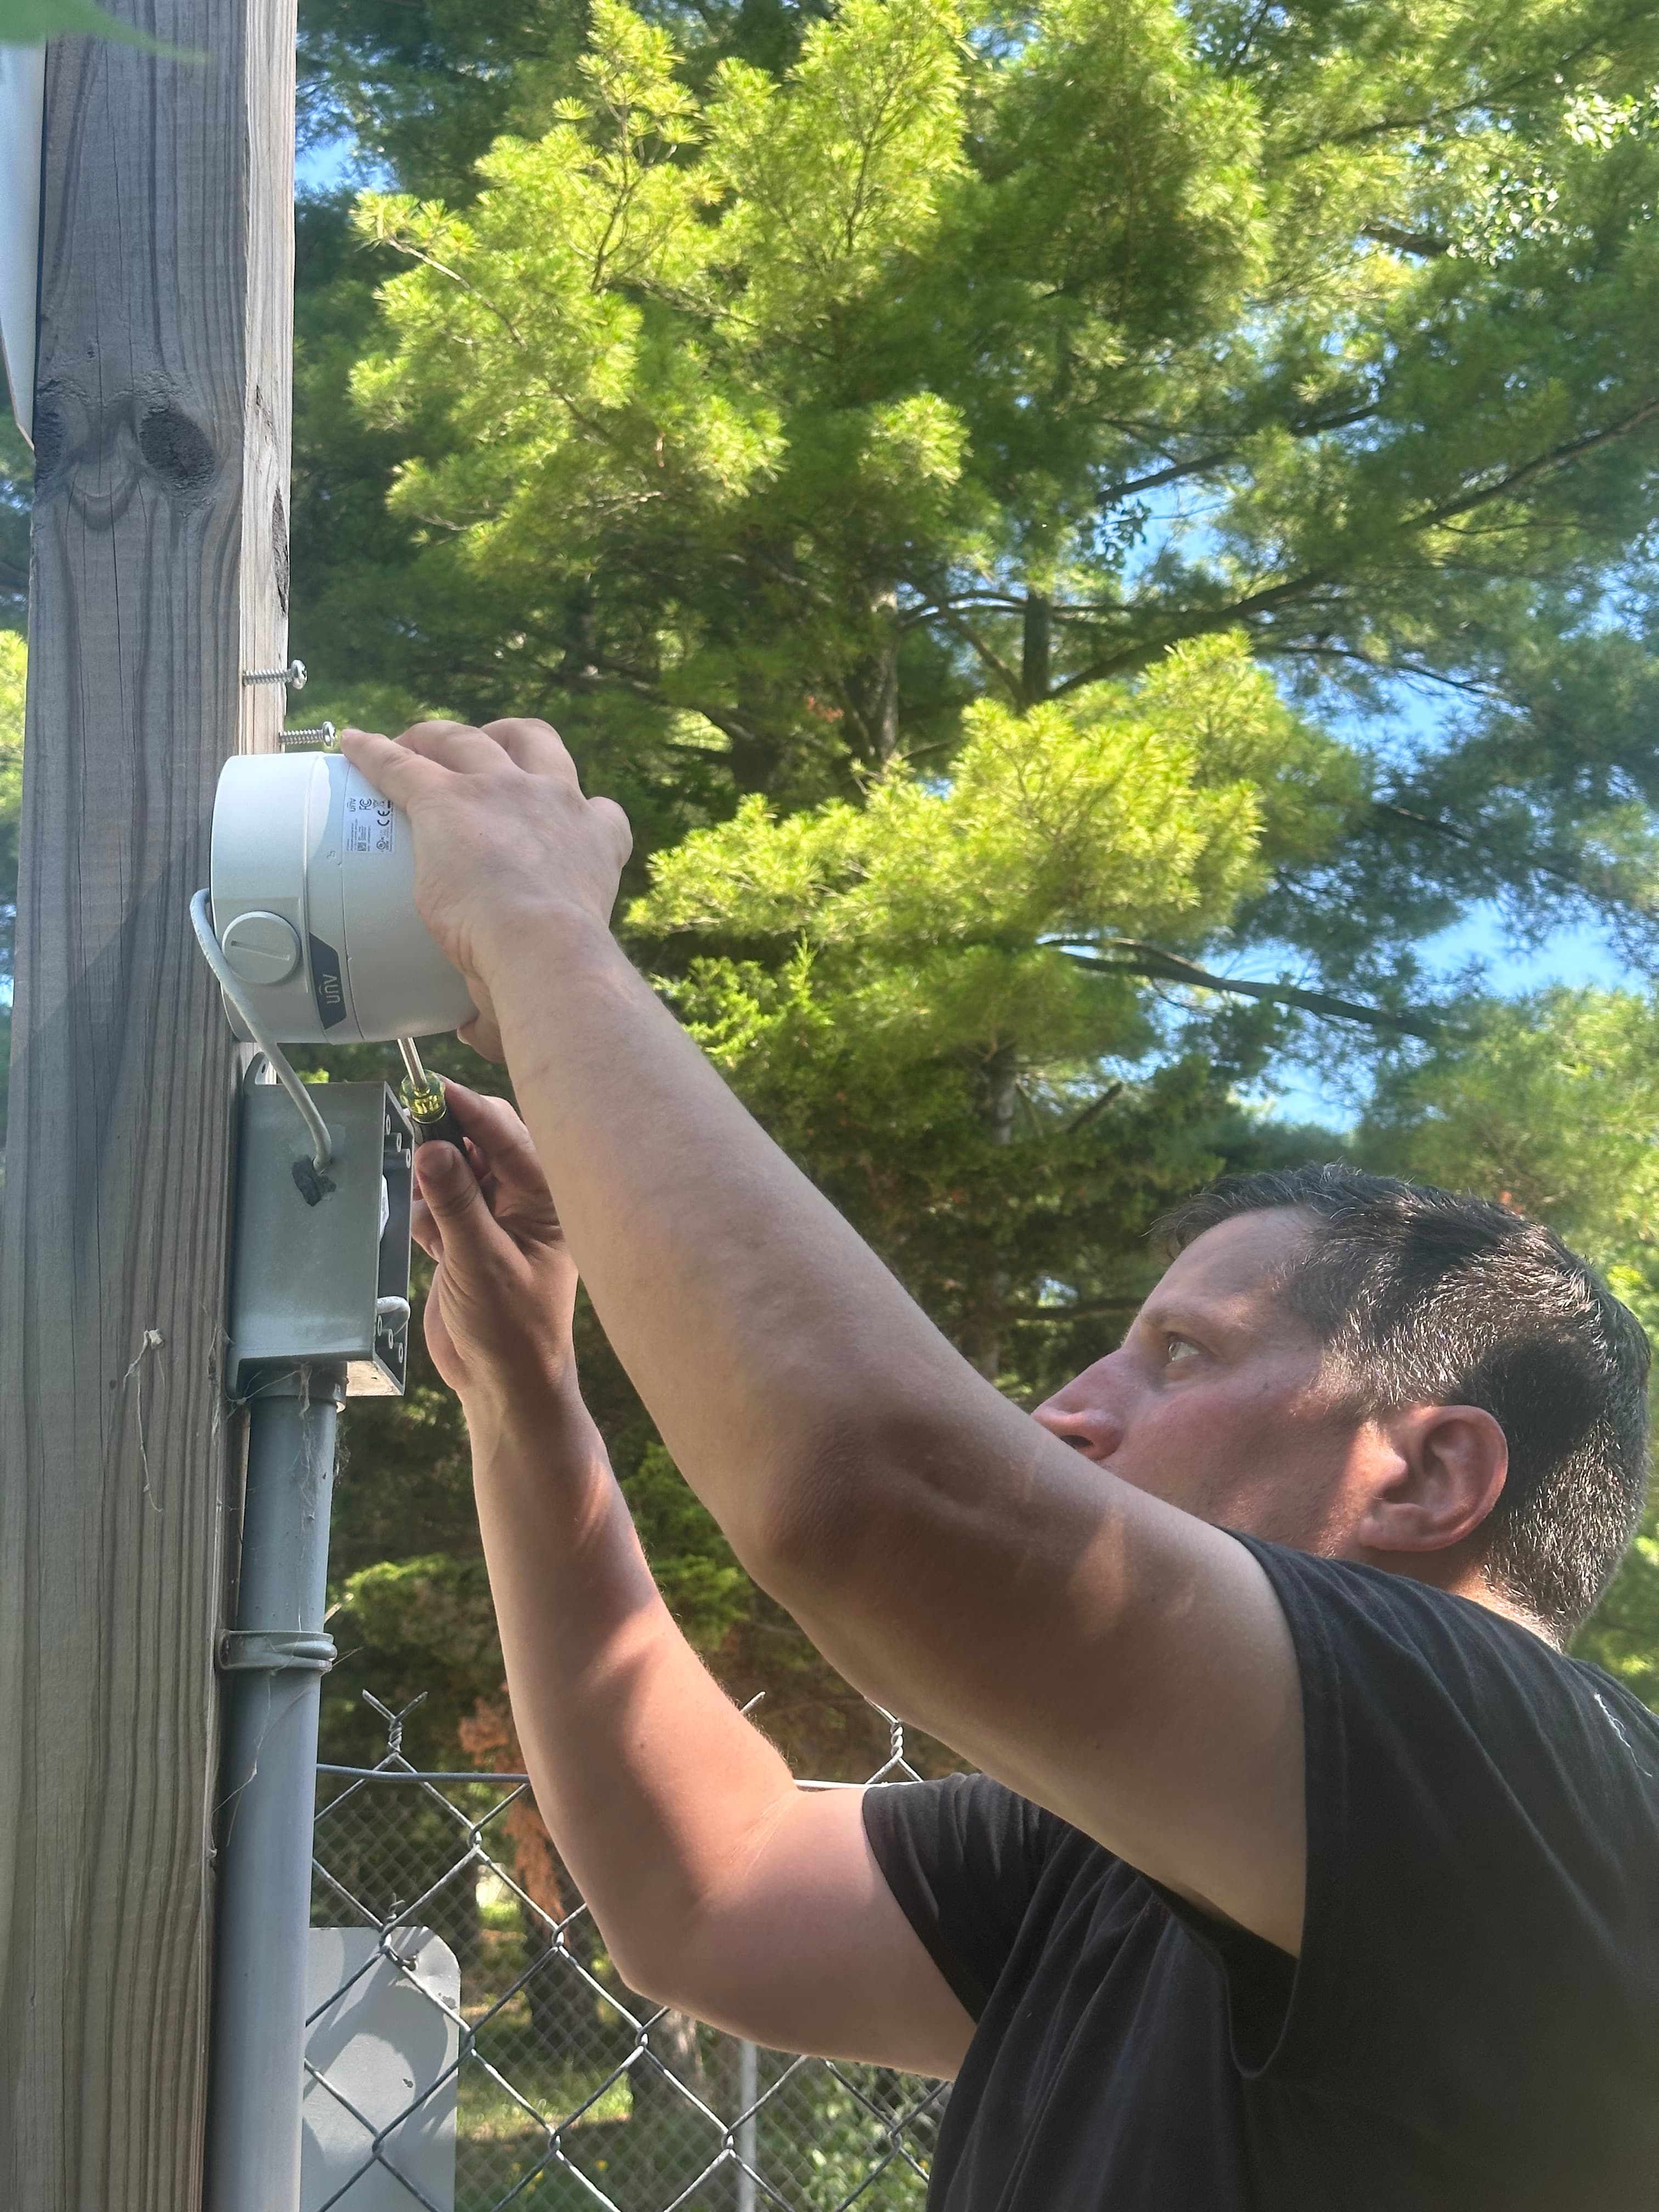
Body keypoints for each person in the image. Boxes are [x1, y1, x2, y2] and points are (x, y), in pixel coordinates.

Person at [341, 714, 1659, 2211]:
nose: (1063, 1411)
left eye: (1184, 1356)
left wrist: (529, 920)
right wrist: (521, 1393)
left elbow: (875, 1491)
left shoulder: (1526, 1783)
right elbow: (708, 1885)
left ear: (1430, 1480)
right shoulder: (1124, 1857)